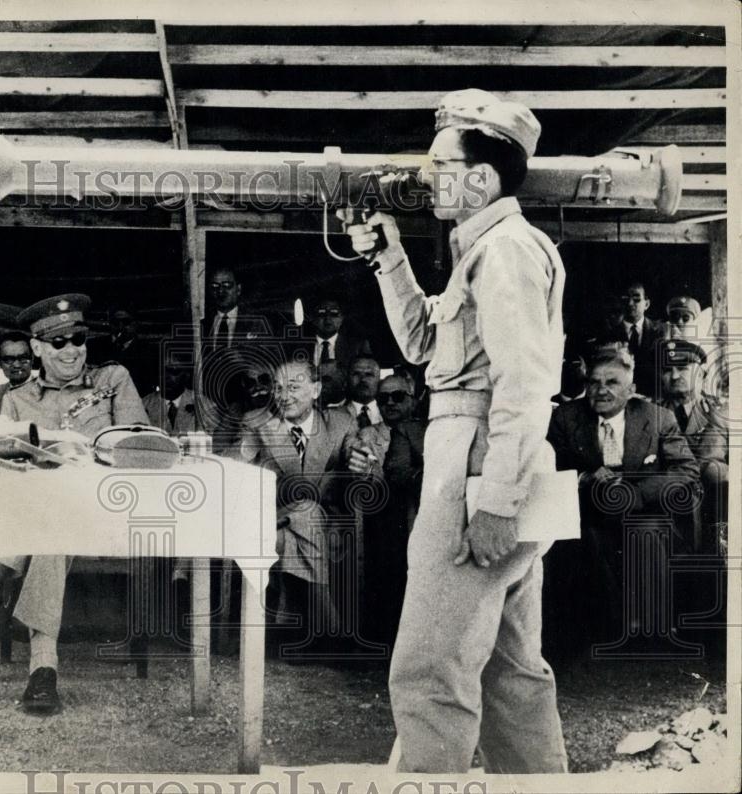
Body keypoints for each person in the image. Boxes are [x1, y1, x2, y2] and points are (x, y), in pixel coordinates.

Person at [341, 88, 567, 772]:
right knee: (510, 671)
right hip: (496, 456)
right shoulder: (486, 248)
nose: (423, 175)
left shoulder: (503, 253)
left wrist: (495, 501)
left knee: (431, 667)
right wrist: (388, 256)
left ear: (482, 178)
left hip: (482, 458)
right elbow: (422, 343)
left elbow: (524, 386)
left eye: (440, 163)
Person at [0, 293, 148, 715]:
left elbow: (141, 445)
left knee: (46, 527)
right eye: (59, 342)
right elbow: (7, 470)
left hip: (105, 508)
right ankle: (42, 670)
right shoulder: (16, 399)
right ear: (38, 349)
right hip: (44, 516)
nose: (72, 350)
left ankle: (8, 583)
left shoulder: (112, 380)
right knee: (49, 526)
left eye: (78, 339)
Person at [545, 348, 699, 652]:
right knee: (583, 538)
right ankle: (600, 630)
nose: (601, 390)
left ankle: (649, 630)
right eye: (594, 382)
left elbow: (686, 469)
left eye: (612, 382)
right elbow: (551, 466)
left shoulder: (657, 417)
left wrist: (636, 494)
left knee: (645, 533)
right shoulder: (566, 417)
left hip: (644, 508)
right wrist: (587, 476)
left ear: (631, 391)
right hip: (587, 506)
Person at [231, 358, 353, 658]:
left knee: (304, 517)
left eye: (294, 387)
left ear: (316, 389)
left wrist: (363, 460)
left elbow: (358, 453)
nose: (284, 395)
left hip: (321, 520)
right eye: (278, 387)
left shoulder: (340, 422)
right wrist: (245, 452)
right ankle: (330, 631)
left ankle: (294, 627)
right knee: (303, 515)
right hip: (269, 518)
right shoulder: (257, 421)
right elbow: (232, 469)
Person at [345, 373, 426, 647]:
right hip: (385, 515)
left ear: (413, 400)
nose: (390, 403)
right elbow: (364, 469)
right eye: (383, 398)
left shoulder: (427, 430)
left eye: (398, 396)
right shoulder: (368, 434)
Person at [656, 339, 728, 551]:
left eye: (683, 368)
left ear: (702, 373)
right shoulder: (649, 414)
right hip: (668, 513)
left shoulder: (724, 413)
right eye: (667, 370)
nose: (675, 376)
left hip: (716, 509)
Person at [201, 266, 273, 410]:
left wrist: (243, 360)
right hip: (210, 404)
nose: (221, 291)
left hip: (247, 404)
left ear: (238, 289)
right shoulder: (202, 324)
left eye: (227, 286)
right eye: (215, 286)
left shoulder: (257, 323)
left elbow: (270, 362)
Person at [603, 282, 666, 399]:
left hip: (654, 399)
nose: (630, 303)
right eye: (625, 299)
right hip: (620, 399)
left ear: (646, 304)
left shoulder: (662, 333)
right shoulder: (608, 335)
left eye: (636, 299)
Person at [89, 307, 158, 397]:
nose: (120, 327)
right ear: (109, 323)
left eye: (126, 322)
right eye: (115, 322)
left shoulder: (149, 351)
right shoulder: (93, 346)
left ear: (136, 323)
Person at [297, 293, 373, 372]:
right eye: (322, 313)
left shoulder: (357, 346)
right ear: (313, 318)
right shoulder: (299, 345)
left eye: (334, 314)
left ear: (342, 318)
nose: (328, 319)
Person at [338, 355, 383, 429]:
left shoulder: (388, 413)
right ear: (347, 378)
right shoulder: (332, 415)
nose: (363, 379)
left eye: (369, 374)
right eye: (356, 374)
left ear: (379, 379)